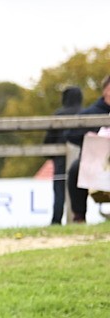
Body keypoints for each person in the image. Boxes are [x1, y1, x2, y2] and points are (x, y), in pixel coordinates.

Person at [65, 76, 110, 224]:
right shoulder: (90, 113)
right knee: (75, 169)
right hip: (96, 162)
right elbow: (70, 134)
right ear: (105, 90)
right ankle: (79, 217)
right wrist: (92, 138)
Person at [44, 87, 83, 225]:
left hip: (60, 159)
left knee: (59, 189)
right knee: (79, 189)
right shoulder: (83, 114)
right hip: (81, 158)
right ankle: (79, 218)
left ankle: (56, 220)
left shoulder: (59, 115)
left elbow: (48, 139)